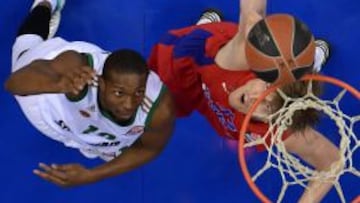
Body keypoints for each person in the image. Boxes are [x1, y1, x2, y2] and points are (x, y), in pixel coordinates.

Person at [148, 0, 340, 202]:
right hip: (204, 65)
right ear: (265, 75)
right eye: (266, 89)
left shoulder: (280, 132)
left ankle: (309, 64)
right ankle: (206, 27)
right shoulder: (240, 58)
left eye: (267, 107)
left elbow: (332, 162)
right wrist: (258, 24)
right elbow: (252, 11)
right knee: (168, 81)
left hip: (219, 107)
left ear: (275, 122)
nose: (254, 99)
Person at [4, 0, 175, 187]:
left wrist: (92, 175)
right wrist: (55, 84)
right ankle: (45, 5)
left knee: (111, 150)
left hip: (91, 131)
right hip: (50, 103)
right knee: (26, 46)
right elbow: (13, 84)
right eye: (119, 93)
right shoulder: (76, 68)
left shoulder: (160, 107)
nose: (129, 104)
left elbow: (150, 148)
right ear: (100, 83)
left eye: (138, 93)